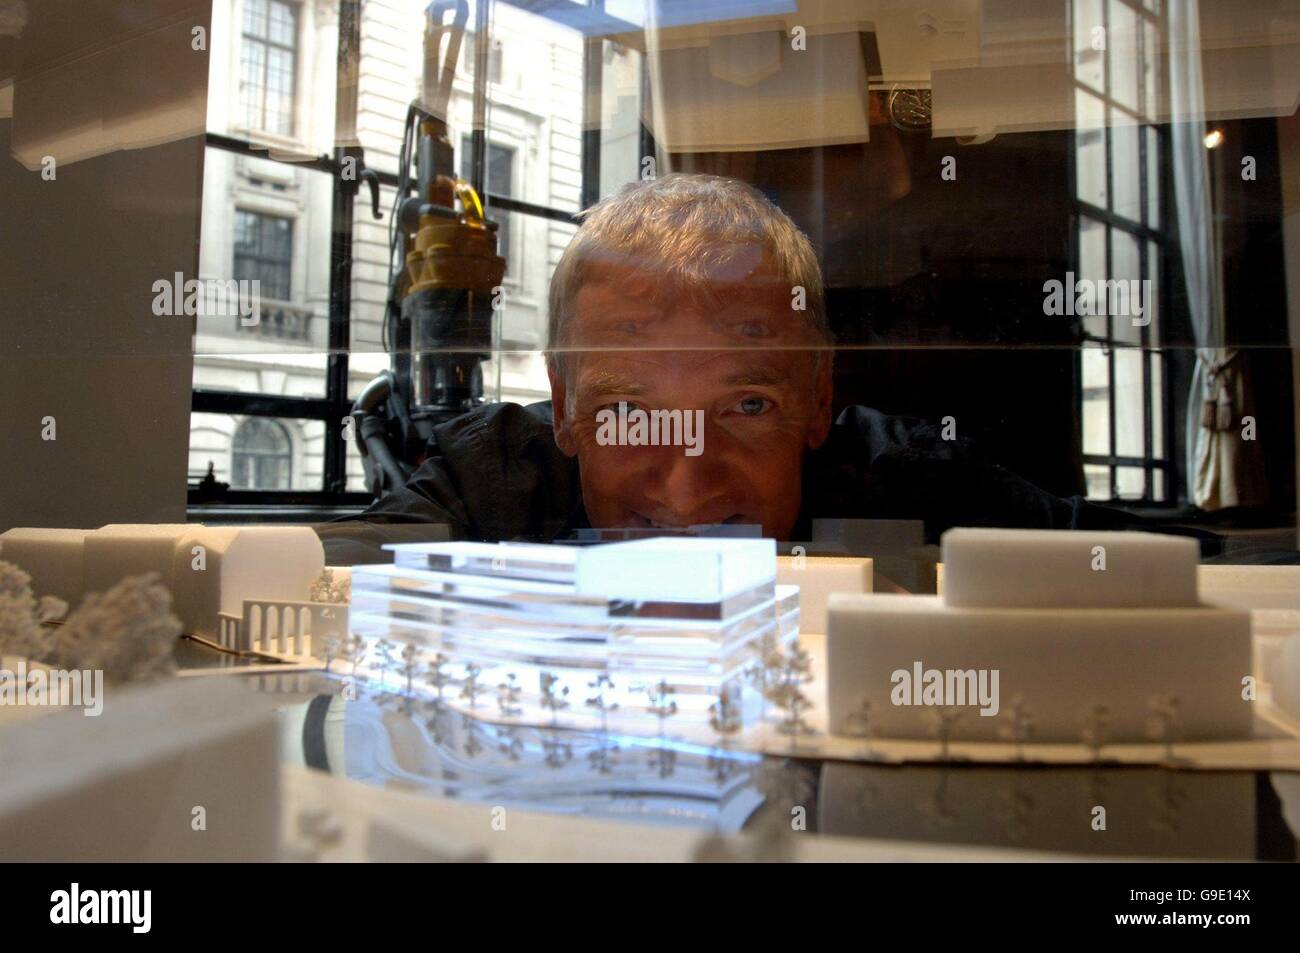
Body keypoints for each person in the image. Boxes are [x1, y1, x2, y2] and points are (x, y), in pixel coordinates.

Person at [319, 173, 1135, 563]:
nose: (686, 492)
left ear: (817, 396)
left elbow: (1164, 578)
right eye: (628, 414)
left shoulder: (914, 490)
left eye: (747, 405)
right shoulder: (491, 487)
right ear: (563, 408)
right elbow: (307, 593)